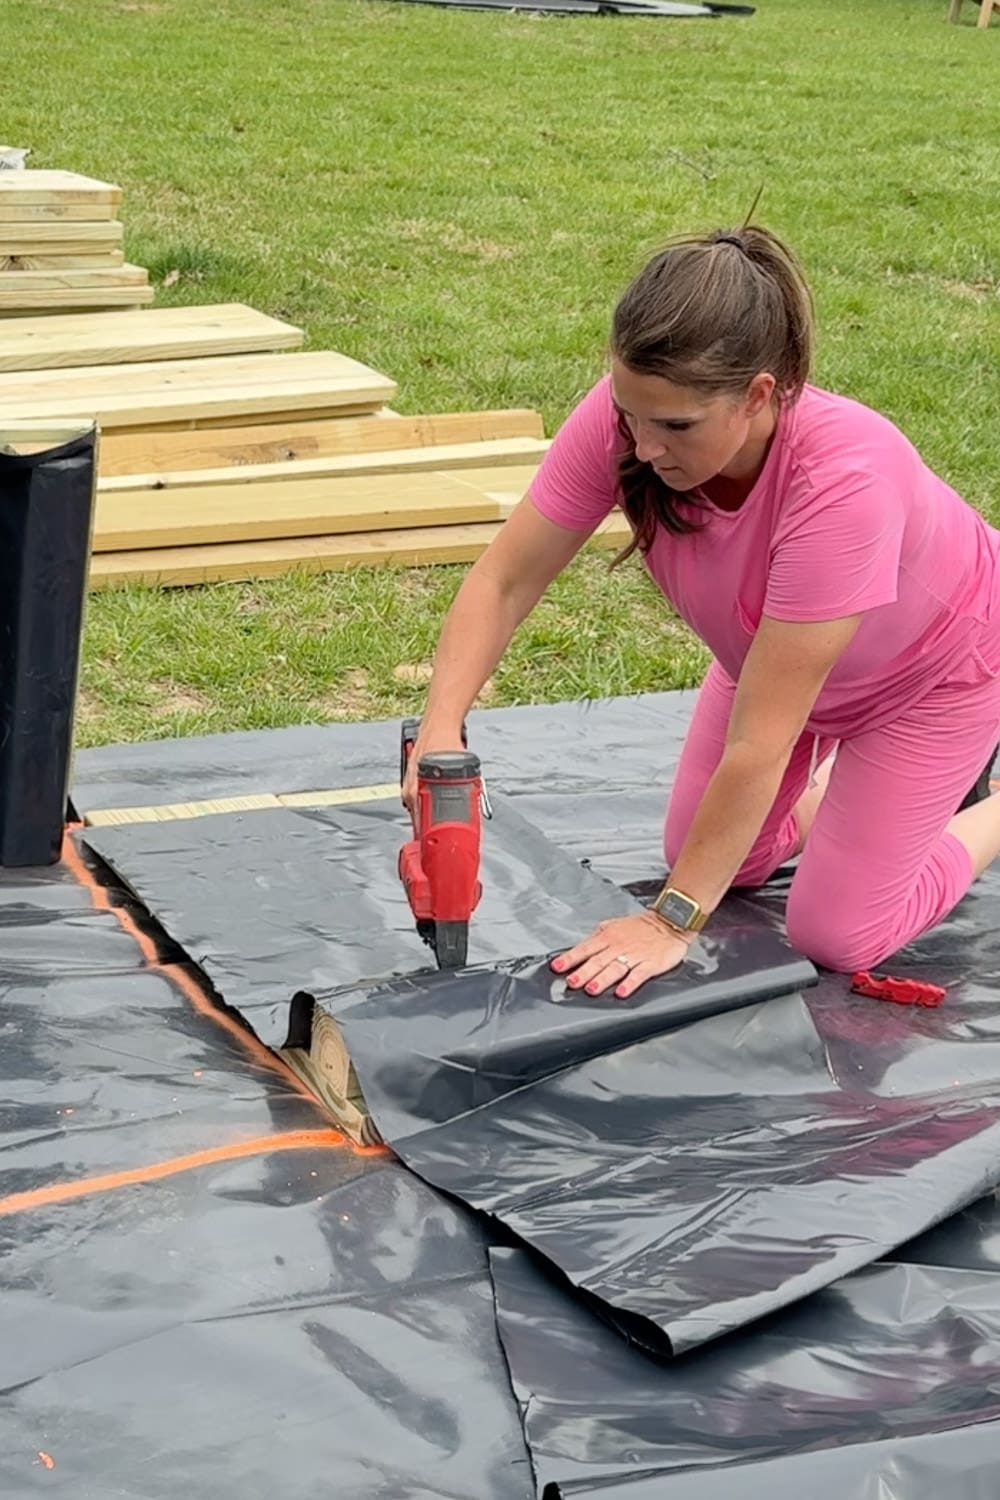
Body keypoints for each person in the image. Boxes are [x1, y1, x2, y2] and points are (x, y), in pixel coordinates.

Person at [402, 224, 1000, 1000]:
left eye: (676, 426)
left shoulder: (845, 482)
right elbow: (506, 579)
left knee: (837, 934)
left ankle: (983, 807)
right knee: (715, 852)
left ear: (758, 395)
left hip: (936, 677)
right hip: (774, 666)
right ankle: (871, 805)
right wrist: (439, 726)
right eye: (631, 414)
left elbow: (759, 740)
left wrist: (671, 921)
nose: (644, 447)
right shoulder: (631, 420)